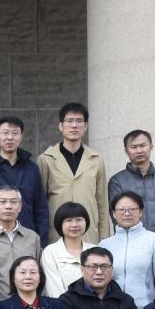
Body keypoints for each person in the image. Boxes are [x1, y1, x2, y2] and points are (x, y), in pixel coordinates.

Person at [37, 102, 111, 243]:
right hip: (56, 233)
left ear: (86, 126)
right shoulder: (46, 159)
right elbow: (40, 202)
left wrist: (104, 237)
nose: (74, 125)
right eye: (69, 121)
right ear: (61, 126)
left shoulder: (96, 159)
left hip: (89, 233)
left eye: (79, 121)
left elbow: (102, 202)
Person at [0, 116, 49, 243]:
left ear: (21, 136)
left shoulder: (32, 168)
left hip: (27, 236)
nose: (10, 137)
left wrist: (41, 240)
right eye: (5, 133)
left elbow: (40, 207)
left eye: (15, 133)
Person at [99, 191, 155, 309]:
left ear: (141, 211)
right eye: (122, 209)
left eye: (132, 209)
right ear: (114, 213)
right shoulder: (105, 244)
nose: (127, 213)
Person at [0, 185, 42, 301]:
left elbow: (39, 273)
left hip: (28, 304)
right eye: (3, 201)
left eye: (13, 202)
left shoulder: (32, 237)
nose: (8, 206)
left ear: (20, 206)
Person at [108, 129, 155, 234]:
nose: (139, 150)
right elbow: (117, 213)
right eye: (134, 147)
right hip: (130, 239)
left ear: (151, 147)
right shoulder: (117, 181)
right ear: (126, 151)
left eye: (143, 146)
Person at [40, 202, 95, 299]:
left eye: (79, 220)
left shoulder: (95, 250)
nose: (74, 224)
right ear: (59, 224)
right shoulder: (50, 252)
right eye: (68, 220)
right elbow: (53, 289)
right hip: (62, 306)